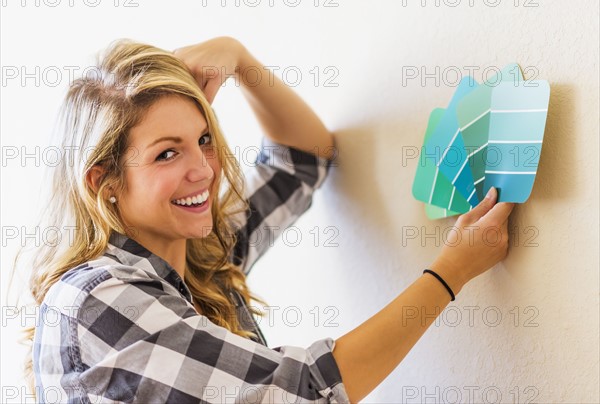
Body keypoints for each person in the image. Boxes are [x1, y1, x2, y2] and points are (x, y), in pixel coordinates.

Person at [17, 36, 515, 403]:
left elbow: (301, 158)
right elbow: (306, 388)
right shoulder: (97, 299)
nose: (203, 170)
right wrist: (451, 271)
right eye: (167, 154)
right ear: (103, 183)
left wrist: (238, 59)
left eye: (204, 140)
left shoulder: (195, 249)